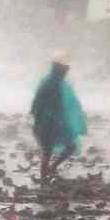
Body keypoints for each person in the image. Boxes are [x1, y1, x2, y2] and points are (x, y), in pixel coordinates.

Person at [31, 51, 86, 182]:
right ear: (58, 68)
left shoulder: (60, 84)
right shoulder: (49, 83)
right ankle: (44, 181)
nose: (66, 71)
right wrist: (39, 123)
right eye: (64, 69)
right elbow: (37, 105)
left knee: (70, 147)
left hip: (57, 123)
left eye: (66, 69)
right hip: (47, 124)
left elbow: (67, 104)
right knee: (47, 153)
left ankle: (51, 169)